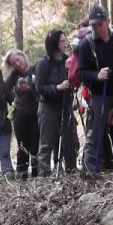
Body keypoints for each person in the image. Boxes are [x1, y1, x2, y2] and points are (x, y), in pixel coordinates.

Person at [78, 4, 113, 176]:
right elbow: (82, 72)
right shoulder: (87, 44)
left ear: (107, 21)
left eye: (99, 24)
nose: (96, 28)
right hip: (99, 93)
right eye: (93, 25)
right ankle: (91, 169)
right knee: (97, 130)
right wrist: (97, 75)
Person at [35, 29, 78, 175]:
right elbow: (39, 87)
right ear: (54, 43)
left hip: (66, 105)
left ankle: (71, 171)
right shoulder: (43, 63)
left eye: (65, 40)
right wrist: (57, 87)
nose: (65, 43)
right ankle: (44, 175)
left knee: (71, 141)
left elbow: (74, 77)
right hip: (48, 106)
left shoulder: (67, 60)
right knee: (47, 143)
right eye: (61, 41)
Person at [4, 49, 39, 178]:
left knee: (36, 144)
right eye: (13, 63)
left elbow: (41, 93)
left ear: (22, 56)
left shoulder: (35, 69)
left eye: (17, 60)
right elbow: (3, 89)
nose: (17, 64)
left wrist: (30, 89)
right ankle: (22, 175)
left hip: (35, 113)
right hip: (20, 113)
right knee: (23, 145)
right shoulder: (14, 74)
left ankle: (37, 174)